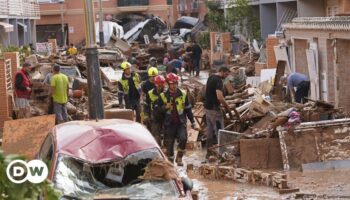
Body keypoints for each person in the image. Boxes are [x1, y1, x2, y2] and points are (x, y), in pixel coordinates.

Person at [160, 73, 196, 166]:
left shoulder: (183, 94)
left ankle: (179, 157)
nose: (174, 85)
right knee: (170, 144)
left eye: (175, 83)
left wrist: (192, 121)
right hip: (169, 124)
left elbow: (188, 109)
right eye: (172, 83)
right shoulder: (163, 96)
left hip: (180, 122)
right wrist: (164, 107)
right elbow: (157, 112)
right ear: (168, 84)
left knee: (183, 138)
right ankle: (171, 162)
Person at [204, 66, 232, 161]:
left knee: (209, 131)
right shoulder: (219, 81)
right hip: (214, 110)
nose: (226, 76)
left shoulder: (211, 77)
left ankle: (208, 153)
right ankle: (222, 156)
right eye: (226, 74)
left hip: (207, 108)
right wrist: (227, 107)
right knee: (220, 132)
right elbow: (219, 97)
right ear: (222, 72)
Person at [144, 75, 166, 146]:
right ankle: (159, 149)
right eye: (159, 86)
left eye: (162, 85)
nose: (161, 87)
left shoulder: (167, 93)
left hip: (166, 116)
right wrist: (146, 115)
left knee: (167, 134)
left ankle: (166, 150)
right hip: (154, 116)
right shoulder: (150, 93)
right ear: (156, 85)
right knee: (156, 134)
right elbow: (146, 105)